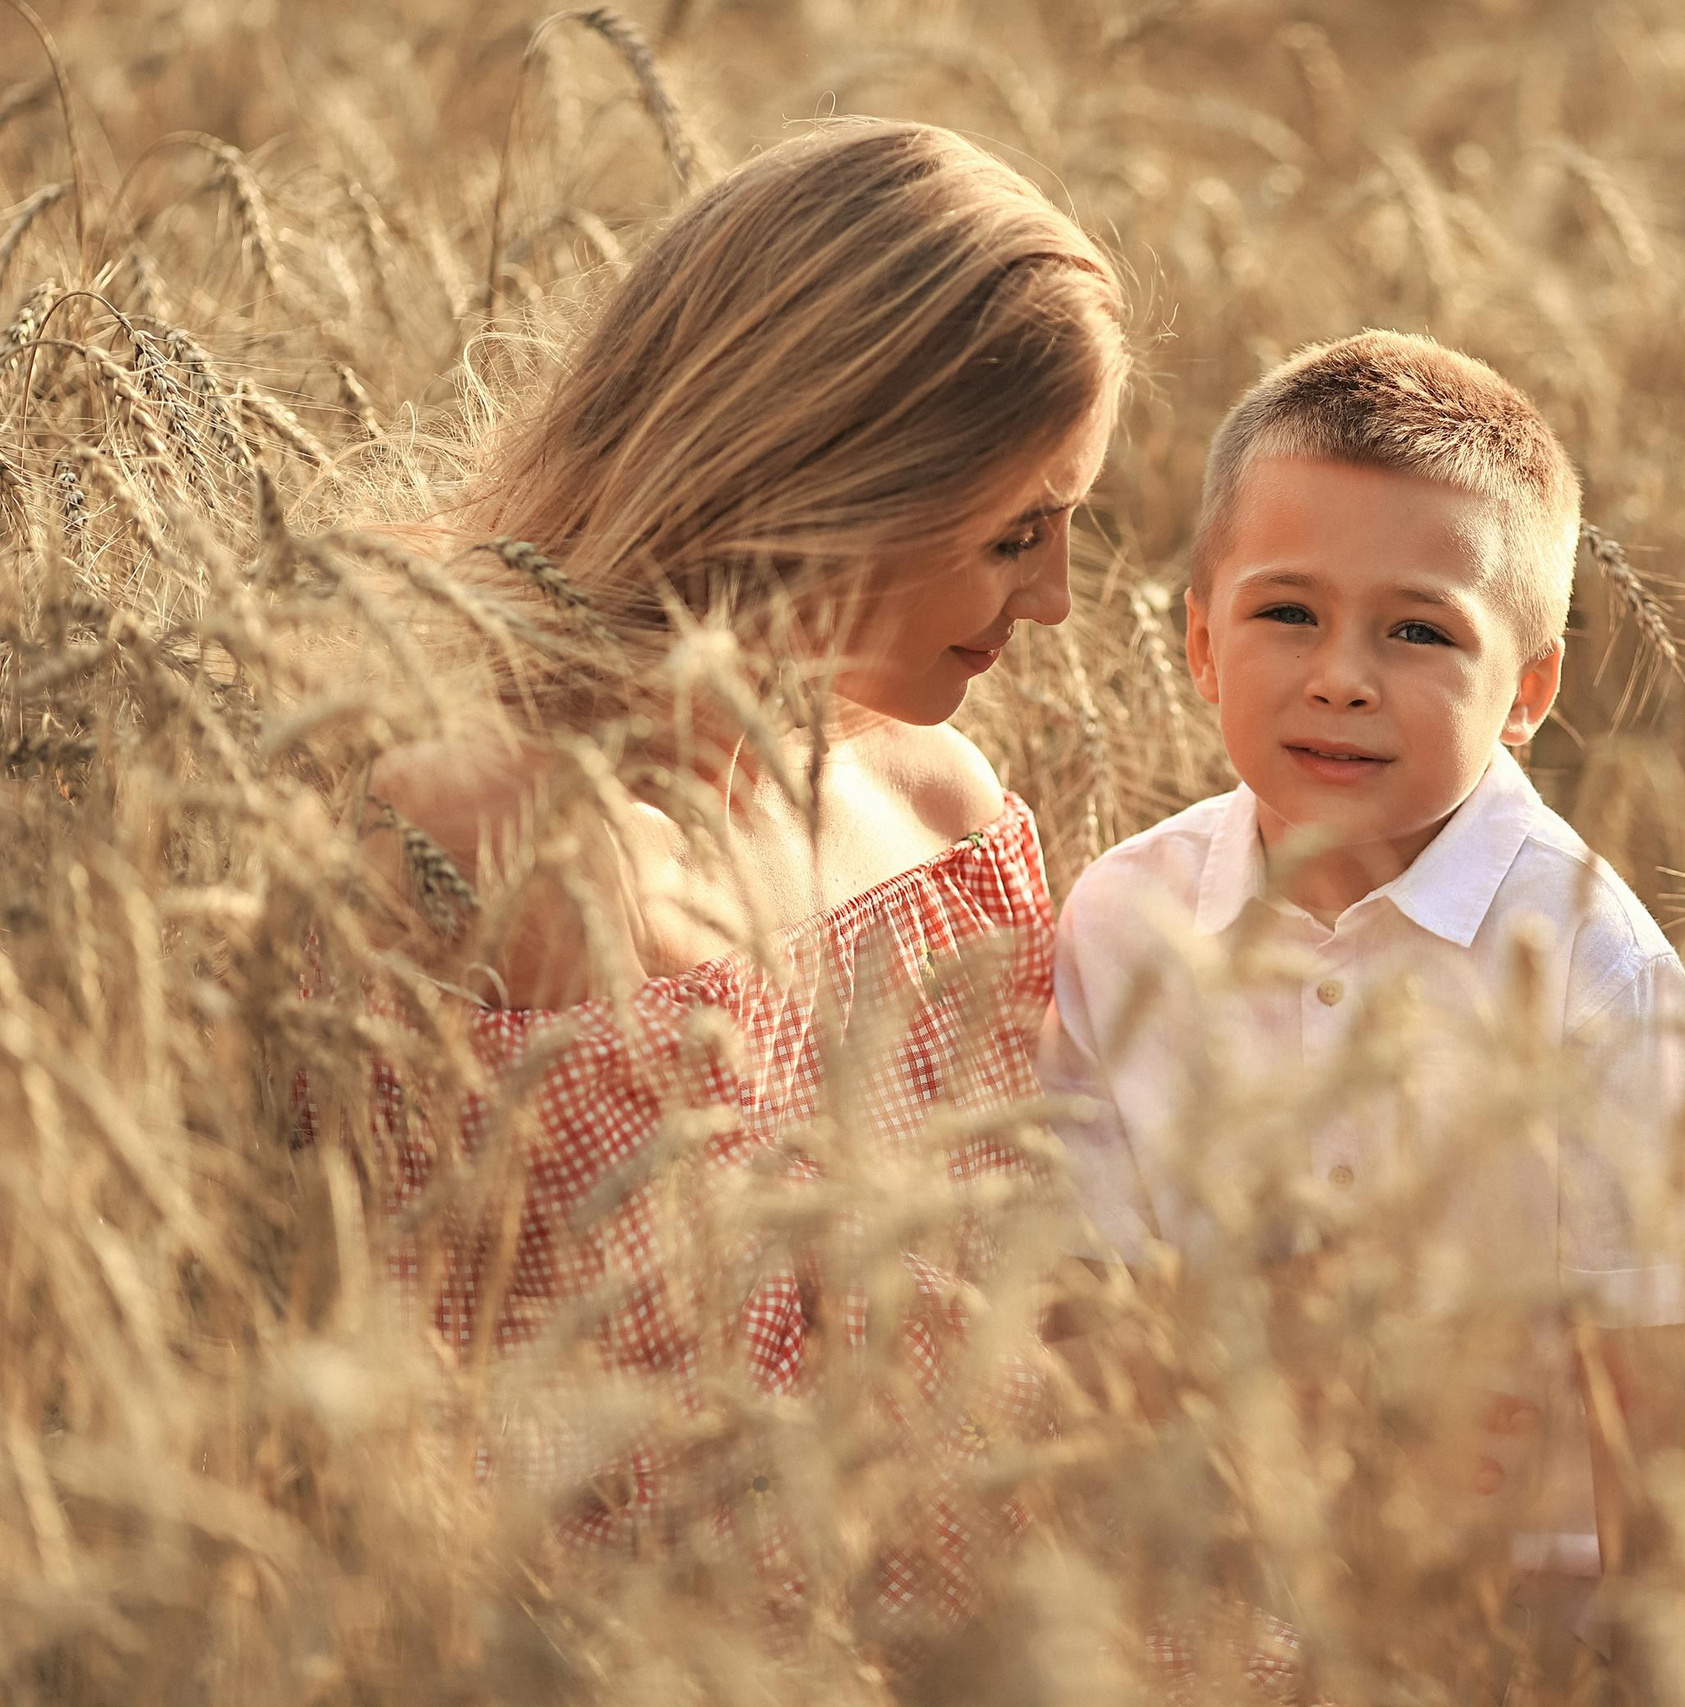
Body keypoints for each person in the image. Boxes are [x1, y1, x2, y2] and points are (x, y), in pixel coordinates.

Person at [336, 117, 1126, 1678]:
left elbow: (1042, 1317)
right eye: (1014, 533)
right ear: (832, 479)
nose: (1050, 598)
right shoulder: (489, 831)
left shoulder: (945, 820)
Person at [1039, 330, 1685, 1697]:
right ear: (1200, 643)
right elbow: (1097, 1316)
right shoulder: (1123, 923)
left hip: (1550, 1625)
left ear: (1531, 695)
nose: (1342, 675)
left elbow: (1659, 1421)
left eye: (1420, 631)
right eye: (1286, 615)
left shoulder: (1587, 971)